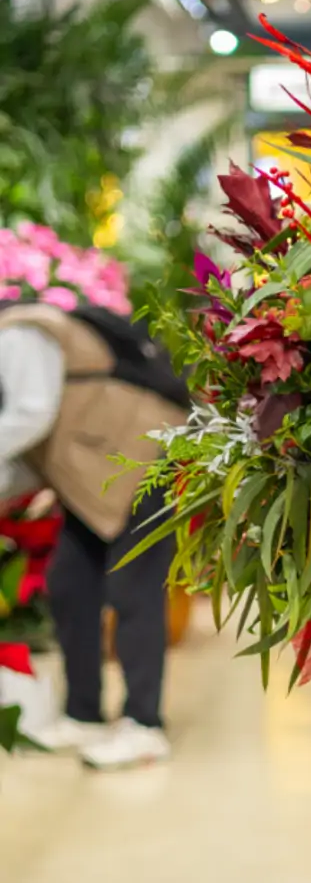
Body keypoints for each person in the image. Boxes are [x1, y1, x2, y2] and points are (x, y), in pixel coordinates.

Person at [0, 301, 189, 769]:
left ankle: (144, 726)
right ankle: (82, 712)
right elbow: (27, 457)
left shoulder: (19, 335)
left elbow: (31, 415)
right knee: (70, 583)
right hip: (95, 471)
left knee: (135, 590)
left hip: (140, 453)